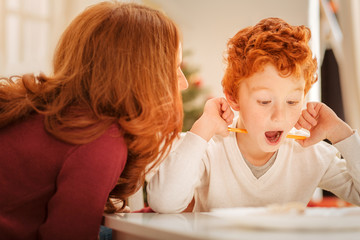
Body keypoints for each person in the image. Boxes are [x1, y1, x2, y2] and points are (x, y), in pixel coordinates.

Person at [0, 2, 189, 239]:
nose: (183, 83)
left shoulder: (48, 109)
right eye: (174, 68)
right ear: (142, 75)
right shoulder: (100, 138)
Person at [146, 17, 360, 213]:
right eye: (265, 101)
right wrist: (203, 129)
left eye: (292, 102)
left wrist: (342, 133)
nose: (279, 116)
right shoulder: (207, 148)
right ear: (233, 97)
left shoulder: (311, 154)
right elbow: (164, 203)